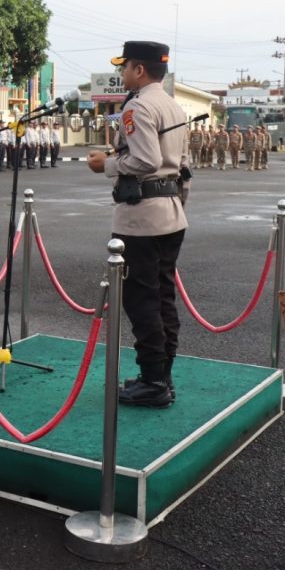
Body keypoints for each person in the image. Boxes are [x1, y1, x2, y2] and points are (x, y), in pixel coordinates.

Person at [86, 41, 187, 408]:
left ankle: (154, 381)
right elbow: (181, 166)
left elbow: (145, 159)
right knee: (162, 297)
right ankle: (161, 374)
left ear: (139, 70)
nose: (122, 73)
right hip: (170, 212)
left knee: (141, 300)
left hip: (142, 218)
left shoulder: (139, 105)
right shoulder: (171, 104)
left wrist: (106, 165)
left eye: (125, 66)